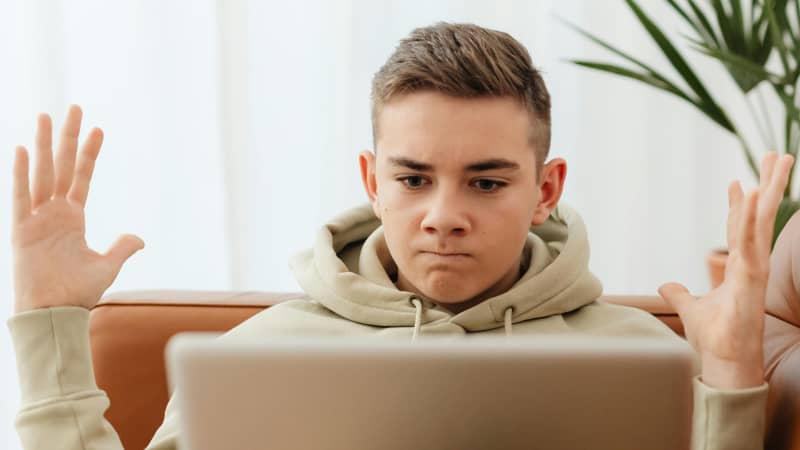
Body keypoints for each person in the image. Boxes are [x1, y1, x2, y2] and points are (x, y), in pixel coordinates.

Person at [7, 22, 793, 450]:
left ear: (546, 190)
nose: (443, 214)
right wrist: (51, 325)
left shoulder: (638, 359)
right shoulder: (260, 355)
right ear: (372, 181)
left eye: (486, 182)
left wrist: (727, 378)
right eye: (413, 178)